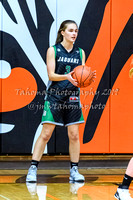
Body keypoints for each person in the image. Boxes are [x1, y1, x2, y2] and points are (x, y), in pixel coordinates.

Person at [26, 20, 96, 183]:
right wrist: (67, 77)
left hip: (72, 98)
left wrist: (87, 78)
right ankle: (33, 169)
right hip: (55, 96)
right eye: (71, 30)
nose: (74, 34)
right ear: (62, 32)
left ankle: (74, 170)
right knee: (46, 134)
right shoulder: (53, 50)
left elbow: (82, 74)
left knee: (74, 135)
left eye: (76, 31)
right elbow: (51, 75)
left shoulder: (80, 52)